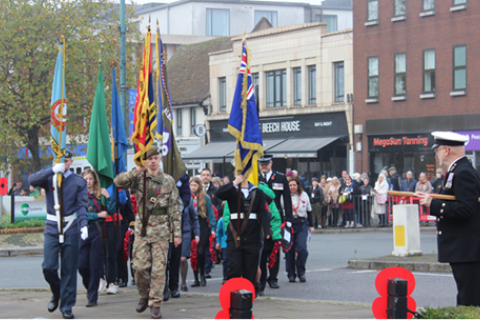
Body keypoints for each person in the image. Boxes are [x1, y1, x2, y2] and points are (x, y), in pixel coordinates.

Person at [113, 146, 182, 320]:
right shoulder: (138, 178)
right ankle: (144, 295)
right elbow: (118, 182)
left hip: (161, 230)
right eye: (149, 159)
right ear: (146, 161)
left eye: (155, 158)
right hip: (142, 229)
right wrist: (136, 170)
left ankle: (155, 304)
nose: (152, 161)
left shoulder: (168, 181)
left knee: (159, 270)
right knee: (139, 267)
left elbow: (174, 207)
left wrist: (178, 233)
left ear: (159, 159)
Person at [415, 131, 480, 306]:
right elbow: (454, 199)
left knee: (470, 299)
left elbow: (467, 208)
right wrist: (432, 199)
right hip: (461, 248)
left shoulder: (463, 172)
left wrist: (433, 205)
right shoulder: (456, 171)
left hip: (466, 248)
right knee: (465, 295)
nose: (436, 155)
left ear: (447, 150)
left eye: (437, 151)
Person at [29, 150, 88, 320]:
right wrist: (52, 170)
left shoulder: (78, 181)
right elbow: (31, 180)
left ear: (71, 162)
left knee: (69, 270)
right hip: (52, 228)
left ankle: (67, 306)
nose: (65, 164)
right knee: (48, 267)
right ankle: (57, 293)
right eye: (63, 161)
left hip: (70, 227)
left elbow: (82, 204)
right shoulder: (50, 178)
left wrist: (83, 224)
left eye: (68, 161)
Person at [215, 173, 271, 292]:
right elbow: (219, 194)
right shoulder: (232, 190)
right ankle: (233, 295)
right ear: (234, 173)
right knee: (234, 267)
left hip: (253, 235)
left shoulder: (257, 191)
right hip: (236, 234)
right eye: (238, 171)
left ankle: (248, 297)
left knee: (250, 269)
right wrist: (234, 182)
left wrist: (267, 231)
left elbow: (264, 212)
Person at [79, 169, 116, 307]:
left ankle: (92, 297)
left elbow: (111, 210)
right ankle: (90, 287)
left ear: (94, 180)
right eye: (85, 179)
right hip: (83, 230)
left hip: (98, 231)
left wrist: (107, 197)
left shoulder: (100, 194)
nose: (88, 181)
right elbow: (79, 214)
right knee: (82, 265)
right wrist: (97, 215)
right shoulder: (79, 195)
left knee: (95, 265)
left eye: (90, 178)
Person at [258, 154, 292, 290]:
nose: (264, 167)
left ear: (271, 163)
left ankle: (272, 278)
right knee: (261, 250)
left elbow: (287, 200)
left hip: (276, 218)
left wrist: (288, 219)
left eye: (266, 164)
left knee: (274, 249)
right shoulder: (256, 178)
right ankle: (260, 279)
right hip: (260, 217)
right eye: (261, 164)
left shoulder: (280, 178)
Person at [189, 176, 216, 287]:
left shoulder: (205, 198)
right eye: (191, 185)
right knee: (193, 252)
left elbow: (210, 214)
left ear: (199, 186)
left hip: (202, 224)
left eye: (195, 185)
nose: (193, 187)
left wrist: (213, 229)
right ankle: (195, 278)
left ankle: (202, 274)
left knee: (200, 251)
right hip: (191, 224)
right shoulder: (188, 198)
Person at [256, 181, 282, 296]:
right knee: (260, 262)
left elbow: (276, 219)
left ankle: (272, 279)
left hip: (270, 235)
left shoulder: (270, 203)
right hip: (258, 235)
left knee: (272, 259)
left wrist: (272, 233)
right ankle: (261, 285)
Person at [286, 177, 313, 282]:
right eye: (290, 185)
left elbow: (309, 211)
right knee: (289, 250)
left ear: (298, 186)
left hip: (302, 223)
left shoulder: (304, 195)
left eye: (294, 185)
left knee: (302, 248)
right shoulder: (286, 196)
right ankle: (291, 274)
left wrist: (311, 225)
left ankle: (301, 272)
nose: (293, 187)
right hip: (289, 224)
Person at [200, 168, 221, 278]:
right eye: (203, 175)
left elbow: (219, 204)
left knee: (209, 246)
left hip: (211, 220)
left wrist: (213, 210)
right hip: (200, 221)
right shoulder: (197, 190)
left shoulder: (215, 190)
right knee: (199, 247)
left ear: (211, 177)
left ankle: (206, 269)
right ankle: (200, 268)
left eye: (207, 175)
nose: (205, 177)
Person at [179, 201, 200, 292]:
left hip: (185, 232)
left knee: (183, 259)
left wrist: (197, 234)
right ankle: (172, 284)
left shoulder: (188, 201)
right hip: (170, 233)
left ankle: (183, 282)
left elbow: (194, 219)